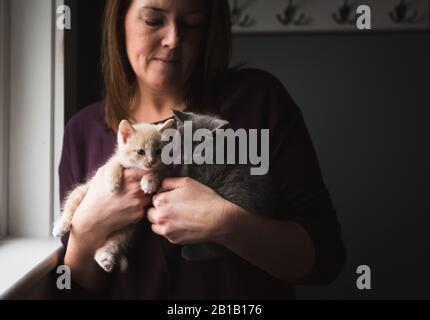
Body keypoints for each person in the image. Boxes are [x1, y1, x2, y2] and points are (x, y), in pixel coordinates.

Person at [57, 0, 346, 299]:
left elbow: (326, 257)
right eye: (153, 21)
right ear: (120, 23)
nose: (173, 39)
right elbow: (73, 292)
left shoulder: (259, 102)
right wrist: (87, 232)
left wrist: (227, 224)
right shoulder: (83, 131)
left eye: (192, 23)